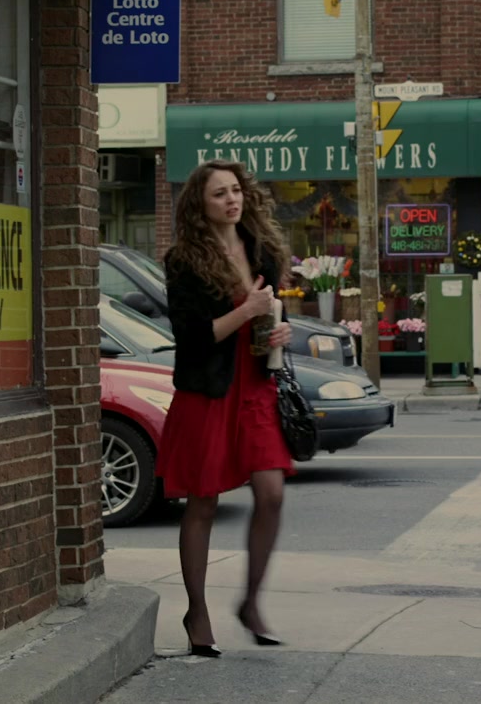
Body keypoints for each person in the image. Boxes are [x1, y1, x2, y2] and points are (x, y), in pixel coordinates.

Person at [157, 159, 295, 658]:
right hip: (209, 390)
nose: (231, 199)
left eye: (235, 190)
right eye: (219, 193)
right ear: (200, 203)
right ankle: (197, 611)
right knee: (204, 501)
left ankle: (251, 603)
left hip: (255, 386)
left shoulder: (262, 249)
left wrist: (279, 329)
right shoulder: (184, 260)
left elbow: (270, 314)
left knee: (271, 492)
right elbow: (193, 338)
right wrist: (247, 310)